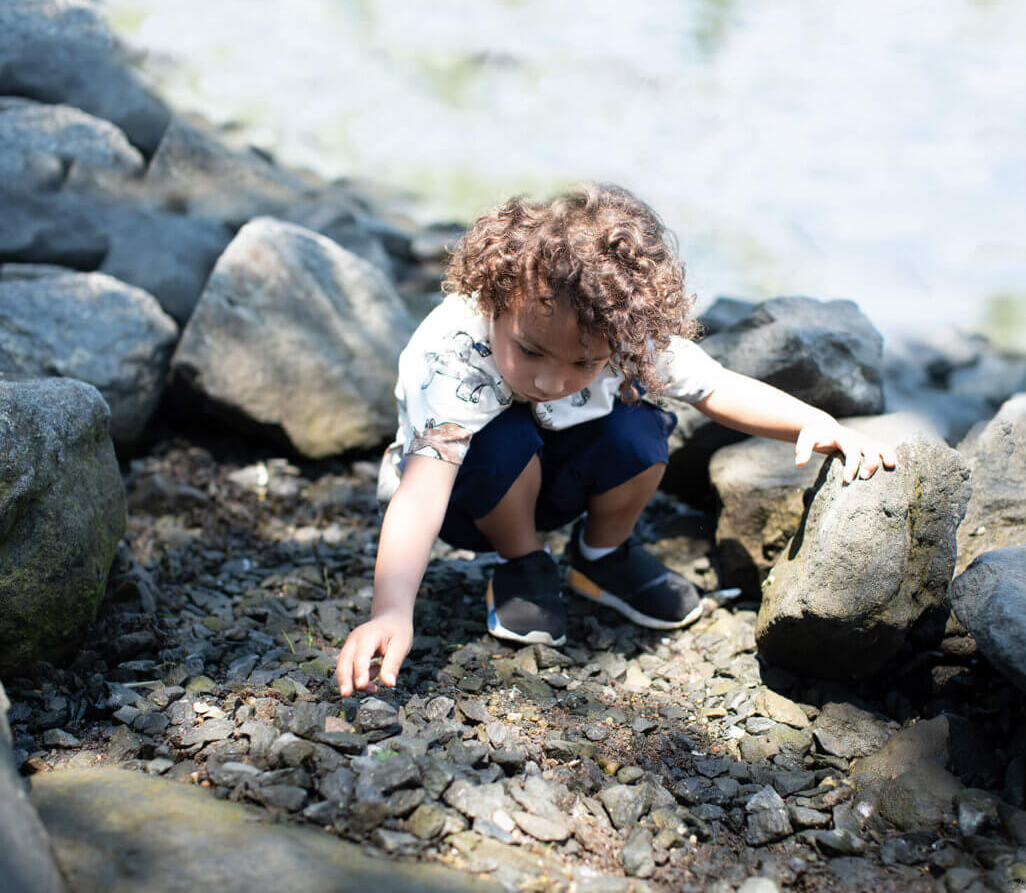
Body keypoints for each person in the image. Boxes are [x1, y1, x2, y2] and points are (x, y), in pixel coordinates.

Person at [336, 183, 896, 696]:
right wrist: (391, 610)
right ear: (493, 298)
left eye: (584, 362)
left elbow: (715, 387)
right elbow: (423, 495)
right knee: (502, 440)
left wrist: (815, 422)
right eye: (530, 351)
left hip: (556, 474)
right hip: (464, 495)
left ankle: (600, 557)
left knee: (639, 430)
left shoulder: (618, 327)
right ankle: (523, 561)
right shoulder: (452, 353)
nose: (551, 382)